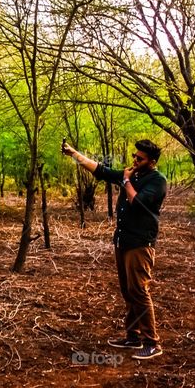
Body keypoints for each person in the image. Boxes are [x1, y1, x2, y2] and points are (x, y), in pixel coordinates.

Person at [61, 139, 168, 360]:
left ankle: (152, 342)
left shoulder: (157, 181)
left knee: (139, 290)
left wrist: (126, 180)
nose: (135, 160)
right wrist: (74, 154)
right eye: (134, 156)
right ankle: (133, 336)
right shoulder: (132, 174)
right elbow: (101, 170)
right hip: (123, 241)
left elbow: (137, 202)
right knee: (128, 290)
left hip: (140, 243)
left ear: (152, 162)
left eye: (140, 158)